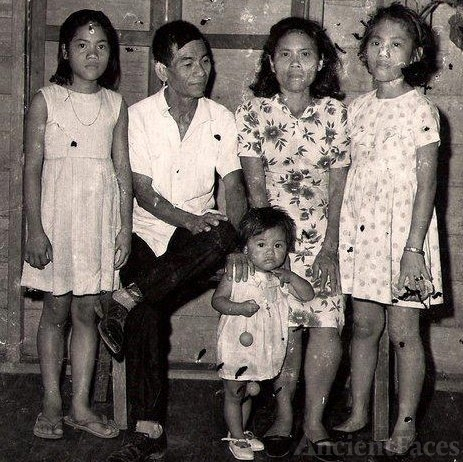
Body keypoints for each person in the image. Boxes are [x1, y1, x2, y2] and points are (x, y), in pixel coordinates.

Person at [106, 20, 247, 462]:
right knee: (149, 313)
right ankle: (148, 430)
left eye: (205, 60)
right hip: (145, 235)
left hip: (194, 245)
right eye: (187, 62)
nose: (200, 70)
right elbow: (143, 192)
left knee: (224, 230)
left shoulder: (220, 118)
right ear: (163, 70)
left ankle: (127, 297)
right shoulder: (139, 116)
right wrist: (189, 219)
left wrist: (239, 243)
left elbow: (236, 189)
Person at [233, 17, 350, 460]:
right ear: (270, 61)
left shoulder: (335, 113)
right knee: (283, 328)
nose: (294, 63)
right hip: (274, 239)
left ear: (319, 63)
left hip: (324, 236)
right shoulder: (252, 112)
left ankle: (315, 420)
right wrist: (271, 256)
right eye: (284, 54)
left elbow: (340, 189)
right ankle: (283, 417)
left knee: (325, 325)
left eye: (304, 54)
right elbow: (256, 191)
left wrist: (332, 247)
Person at [335, 3, 442, 456]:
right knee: (362, 326)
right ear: (364, 51)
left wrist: (413, 248)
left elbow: (427, 184)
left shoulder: (422, 110)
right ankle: (359, 408)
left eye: (396, 44)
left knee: (403, 332)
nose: (384, 52)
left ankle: (405, 420)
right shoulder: (354, 109)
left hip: (405, 237)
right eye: (376, 43)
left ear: (414, 54)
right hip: (364, 232)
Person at [22, 9, 132, 440]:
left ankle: (81, 405)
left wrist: (123, 227)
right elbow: (32, 168)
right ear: (65, 51)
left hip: (98, 219)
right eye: (83, 45)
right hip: (55, 218)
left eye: (102, 46)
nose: (93, 54)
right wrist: (34, 229)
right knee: (56, 310)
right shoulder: (44, 99)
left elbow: (122, 167)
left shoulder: (115, 104)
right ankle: (52, 402)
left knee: (87, 311)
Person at [214, 207, 314, 461]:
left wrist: (291, 276)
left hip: (262, 347)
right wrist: (239, 308)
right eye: (261, 244)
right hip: (236, 345)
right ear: (245, 248)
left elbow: (307, 295)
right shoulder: (237, 273)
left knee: (249, 390)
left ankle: (241, 430)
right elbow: (218, 301)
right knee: (235, 391)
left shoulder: (279, 277)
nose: (271, 252)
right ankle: (235, 436)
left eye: (278, 245)